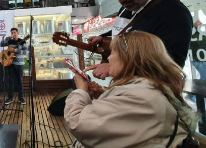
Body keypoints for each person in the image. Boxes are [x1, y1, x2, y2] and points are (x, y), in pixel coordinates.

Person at [64, 31, 198, 148]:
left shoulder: (142, 97)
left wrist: (81, 90)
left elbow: (78, 123)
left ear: (128, 57)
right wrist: (103, 94)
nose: (109, 58)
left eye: (113, 52)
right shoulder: (148, 89)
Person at [85, 0, 192, 79]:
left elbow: (172, 65)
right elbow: (125, 29)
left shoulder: (173, 12)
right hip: (128, 84)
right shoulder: (127, 8)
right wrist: (103, 36)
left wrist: (116, 67)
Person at [2, 28, 27, 105]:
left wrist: (17, 51)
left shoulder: (23, 41)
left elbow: (25, 52)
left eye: (14, 32)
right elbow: (1, 44)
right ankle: (10, 98)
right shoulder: (9, 41)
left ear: (17, 33)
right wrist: (6, 38)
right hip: (11, 63)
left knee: (19, 81)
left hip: (20, 64)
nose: (13, 34)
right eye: (12, 32)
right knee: (10, 81)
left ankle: (21, 98)